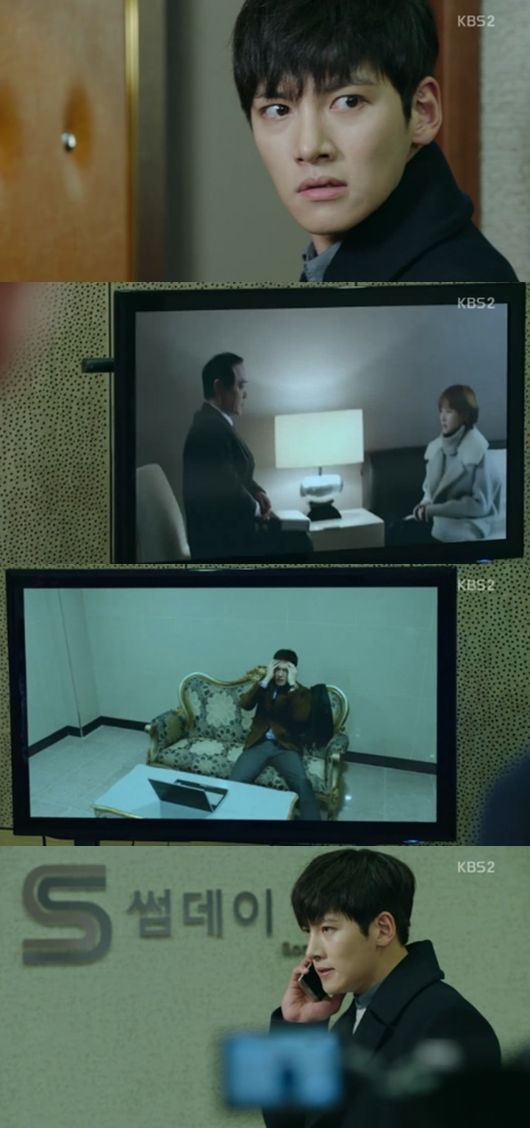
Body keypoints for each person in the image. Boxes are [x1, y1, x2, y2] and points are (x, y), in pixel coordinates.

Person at [232, 0, 517, 283]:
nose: (309, 148)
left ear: (423, 111)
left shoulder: (456, 287)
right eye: (278, 110)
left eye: (348, 102)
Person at [263, 848, 501, 1128]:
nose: (312, 951)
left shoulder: (449, 1022)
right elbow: (288, 1124)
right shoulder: (352, 1018)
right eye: (309, 932)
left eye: (327, 929)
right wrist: (299, 1028)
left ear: (383, 929)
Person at [182, 353, 312, 561]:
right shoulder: (209, 430)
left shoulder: (215, 423)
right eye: (240, 386)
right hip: (222, 544)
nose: (245, 394)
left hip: (231, 532)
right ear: (219, 388)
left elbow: (235, 476)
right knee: (299, 541)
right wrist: (258, 511)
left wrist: (256, 492)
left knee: (295, 535)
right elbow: (226, 490)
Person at [388, 384, 502, 545]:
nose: (442, 417)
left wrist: (433, 510)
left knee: (435, 534)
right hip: (437, 518)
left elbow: (479, 505)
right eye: (441, 411)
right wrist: (424, 506)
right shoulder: (436, 449)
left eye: (449, 412)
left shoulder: (478, 452)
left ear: (464, 415)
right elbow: (429, 491)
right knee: (395, 531)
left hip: (470, 521)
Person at [231, 649, 322, 820]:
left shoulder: (301, 692)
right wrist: (265, 679)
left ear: (293, 671)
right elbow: (245, 704)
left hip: (286, 747)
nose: (280, 674)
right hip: (259, 744)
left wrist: (293, 687)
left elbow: (300, 717)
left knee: (302, 783)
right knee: (236, 781)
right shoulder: (265, 686)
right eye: (277, 669)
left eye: (285, 670)